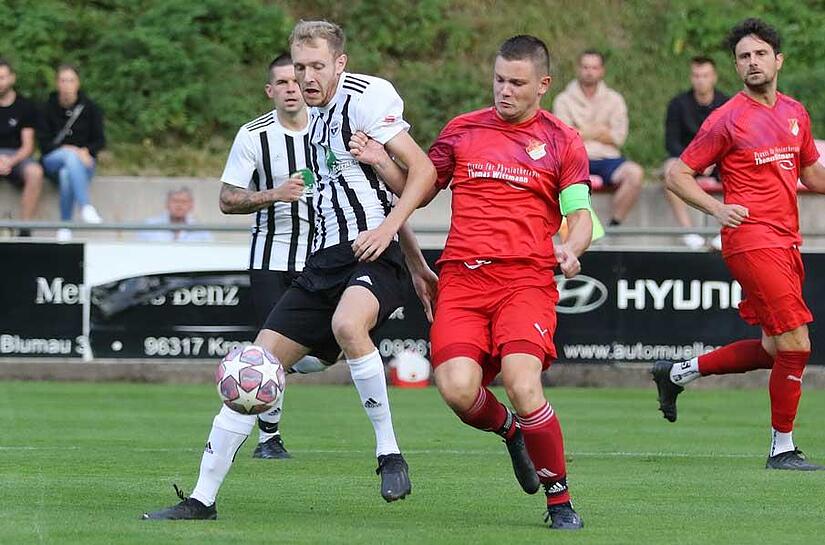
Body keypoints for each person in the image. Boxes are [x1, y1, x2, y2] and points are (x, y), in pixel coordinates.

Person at [142, 19, 437, 520]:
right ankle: (201, 499)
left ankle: (389, 452)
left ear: (340, 63)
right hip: (324, 262)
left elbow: (424, 174)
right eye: (299, 67)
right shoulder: (317, 122)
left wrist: (397, 243)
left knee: (348, 323)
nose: (307, 77)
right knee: (252, 368)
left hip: (372, 253)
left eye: (318, 66)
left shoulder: (368, 97)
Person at [412, 35, 593, 530]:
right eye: (499, 80)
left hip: (525, 281)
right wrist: (382, 158)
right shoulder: (462, 130)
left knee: (520, 380)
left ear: (543, 85)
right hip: (462, 280)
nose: (504, 91)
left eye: (517, 83)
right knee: (455, 388)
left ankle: (560, 500)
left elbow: (580, 215)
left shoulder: (562, 140)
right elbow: (418, 189)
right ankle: (511, 430)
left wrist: (572, 248)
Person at [653, 18, 825, 471]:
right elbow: (676, 174)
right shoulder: (727, 119)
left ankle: (677, 373)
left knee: (774, 348)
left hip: (786, 241)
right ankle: (782, 448)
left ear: (778, 60)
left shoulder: (794, 113)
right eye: (744, 57)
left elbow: (810, 175)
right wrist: (715, 210)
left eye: (760, 54)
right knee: (797, 345)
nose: (752, 62)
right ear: (736, 67)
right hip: (750, 240)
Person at [553, 49, 643, 227]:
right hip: (576, 158)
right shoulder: (563, 100)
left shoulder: (615, 100)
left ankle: (613, 225)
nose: (589, 71)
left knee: (635, 174)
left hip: (608, 158)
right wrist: (601, 130)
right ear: (579, 69)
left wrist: (581, 131)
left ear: (602, 70)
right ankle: (574, 228)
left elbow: (618, 137)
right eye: (585, 67)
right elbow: (564, 138)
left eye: (594, 67)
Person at [664, 57, 728, 249]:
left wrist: (713, 160)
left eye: (705, 76)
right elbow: (671, 142)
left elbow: (730, 141)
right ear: (691, 78)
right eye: (696, 75)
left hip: (717, 162)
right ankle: (688, 232)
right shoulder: (677, 104)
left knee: (740, 169)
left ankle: (726, 231)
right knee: (669, 170)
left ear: (714, 77)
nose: (701, 80)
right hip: (687, 162)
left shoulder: (726, 103)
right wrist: (696, 161)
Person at [39, 63, 105, 240]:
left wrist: (86, 150)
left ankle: (65, 225)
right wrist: (70, 150)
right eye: (63, 80)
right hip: (53, 159)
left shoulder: (91, 108)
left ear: (78, 83)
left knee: (67, 173)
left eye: (71, 80)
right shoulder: (46, 108)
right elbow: (44, 144)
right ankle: (85, 206)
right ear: (56, 83)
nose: (67, 85)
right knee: (69, 157)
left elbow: (100, 140)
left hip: (83, 163)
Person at [0, 59, 44, 236]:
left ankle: (24, 229)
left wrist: (10, 161)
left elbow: (28, 146)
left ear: (12, 79)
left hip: (17, 156)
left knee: (35, 172)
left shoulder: (25, 106)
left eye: (2, 78)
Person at [137, 186, 213, 242]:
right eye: (175, 201)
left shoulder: (201, 231)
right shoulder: (149, 226)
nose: (179, 206)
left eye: (184, 202)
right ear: (166, 204)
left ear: (191, 205)